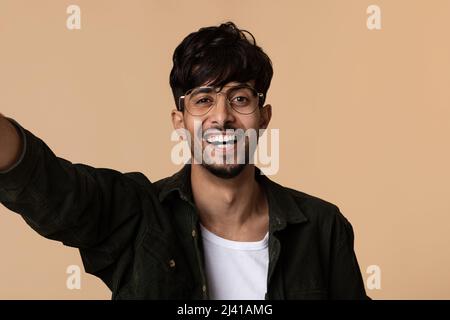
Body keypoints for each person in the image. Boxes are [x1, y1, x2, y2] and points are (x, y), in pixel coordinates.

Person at [0, 22, 368, 300]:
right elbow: (53, 189)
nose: (222, 117)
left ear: (264, 116)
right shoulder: (139, 217)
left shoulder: (321, 227)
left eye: (240, 98)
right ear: (180, 122)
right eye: (203, 99)